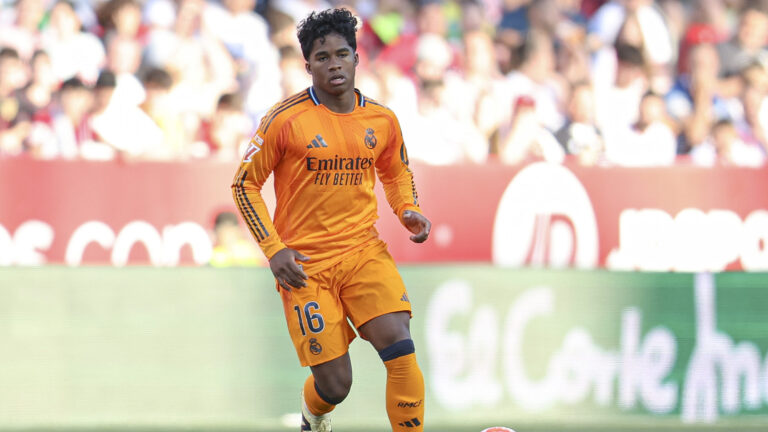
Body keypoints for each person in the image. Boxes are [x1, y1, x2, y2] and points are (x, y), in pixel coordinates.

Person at [230, 8, 431, 432]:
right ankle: (312, 416)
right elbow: (244, 185)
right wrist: (274, 250)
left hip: (363, 252)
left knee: (400, 345)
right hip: (306, 267)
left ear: (357, 58)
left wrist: (407, 208)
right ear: (308, 66)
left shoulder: (381, 119)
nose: (334, 63)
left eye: (342, 54)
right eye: (323, 58)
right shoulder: (284, 120)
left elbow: (395, 171)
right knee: (336, 384)